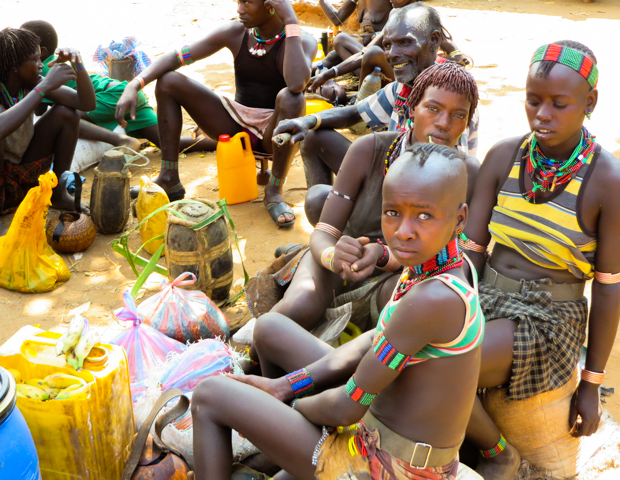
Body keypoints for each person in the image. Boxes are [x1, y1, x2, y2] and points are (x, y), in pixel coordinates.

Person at [191, 143, 483, 480]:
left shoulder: (433, 298)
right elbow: (375, 340)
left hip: (387, 465)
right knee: (271, 328)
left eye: (424, 215)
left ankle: (280, 441)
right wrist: (286, 385)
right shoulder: (437, 267)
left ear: (459, 218)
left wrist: (287, 405)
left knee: (210, 395)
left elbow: (347, 406)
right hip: (377, 432)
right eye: (392, 212)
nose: (403, 230)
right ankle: (283, 452)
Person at [461, 40, 620, 480]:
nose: (542, 114)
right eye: (533, 100)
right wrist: (453, 306)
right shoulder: (503, 156)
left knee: (445, 359)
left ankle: (498, 454)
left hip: (547, 318)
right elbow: (469, 255)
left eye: (559, 103)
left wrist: (590, 386)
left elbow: (608, 290)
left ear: (590, 102)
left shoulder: (607, 181)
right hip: (484, 294)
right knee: (398, 339)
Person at [253, 62, 480, 353]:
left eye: (458, 115)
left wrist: (383, 255)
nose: (444, 123)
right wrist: (335, 256)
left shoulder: (468, 173)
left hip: (405, 275)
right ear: (412, 109)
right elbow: (324, 232)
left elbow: (455, 258)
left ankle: (321, 382)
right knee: (298, 308)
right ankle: (252, 368)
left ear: (467, 123)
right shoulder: (370, 150)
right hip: (343, 259)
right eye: (433, 109)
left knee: (402, 315)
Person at [115, 0, 317, 227]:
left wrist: (291, 22)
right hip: (235, 125)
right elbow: (178, 56)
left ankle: (274, 191)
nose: (239, 9)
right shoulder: (235, 32)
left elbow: (297, 83)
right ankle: (169, 177)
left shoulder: (301, 40)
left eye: (246, 2)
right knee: (168, 81)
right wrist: (136, 83)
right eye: (238, 1)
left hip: (275, 131)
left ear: (271, 5)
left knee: (292, 98)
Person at [280, 2, 478, 189]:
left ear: (434, 40)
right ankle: (336, 216)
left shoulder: (453, 96)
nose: (392, 53)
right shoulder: (403, 87)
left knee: (319, 201)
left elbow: (447, 173)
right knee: (314, 137)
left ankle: (346, 216)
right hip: (391, 177)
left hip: (422, 194)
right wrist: (307, 121)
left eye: (404, 42)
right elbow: (355, 113)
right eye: (388, 45)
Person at [0, 28, 97, 241]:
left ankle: (56, 193)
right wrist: (45, 86)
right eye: (35, 59)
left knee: (67, 113)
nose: (41, 65)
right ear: (14, 67)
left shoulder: (30, 83)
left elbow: (87, 104)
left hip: (16, 173)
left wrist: (79, 65)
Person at [20, 20, 215, 152]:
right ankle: (215, 143)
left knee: (61, 116)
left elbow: (39, 108)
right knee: (168, 143)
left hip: (108, 97)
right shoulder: (55, 60)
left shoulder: (42, 70)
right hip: (125, 91)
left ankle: (120, 140)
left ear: (41, 50)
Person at [308, 0, 468, 102]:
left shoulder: (423, 19)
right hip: (396, 71)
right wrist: (331, 72)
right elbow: (366, 51)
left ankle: (362, 101)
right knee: (352, 45)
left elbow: (456, 53)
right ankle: (364, 97)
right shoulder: (396, 15)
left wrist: (450, 61)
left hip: (412, 77)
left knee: (372, 53)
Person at [301, 0, 391, 73]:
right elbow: (337, 18)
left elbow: (398, 22)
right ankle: (298, 74)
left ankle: (371, 80)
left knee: (341, 40)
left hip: (378, 51)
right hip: (358, 46)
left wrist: (378, 36)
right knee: (330, 59)